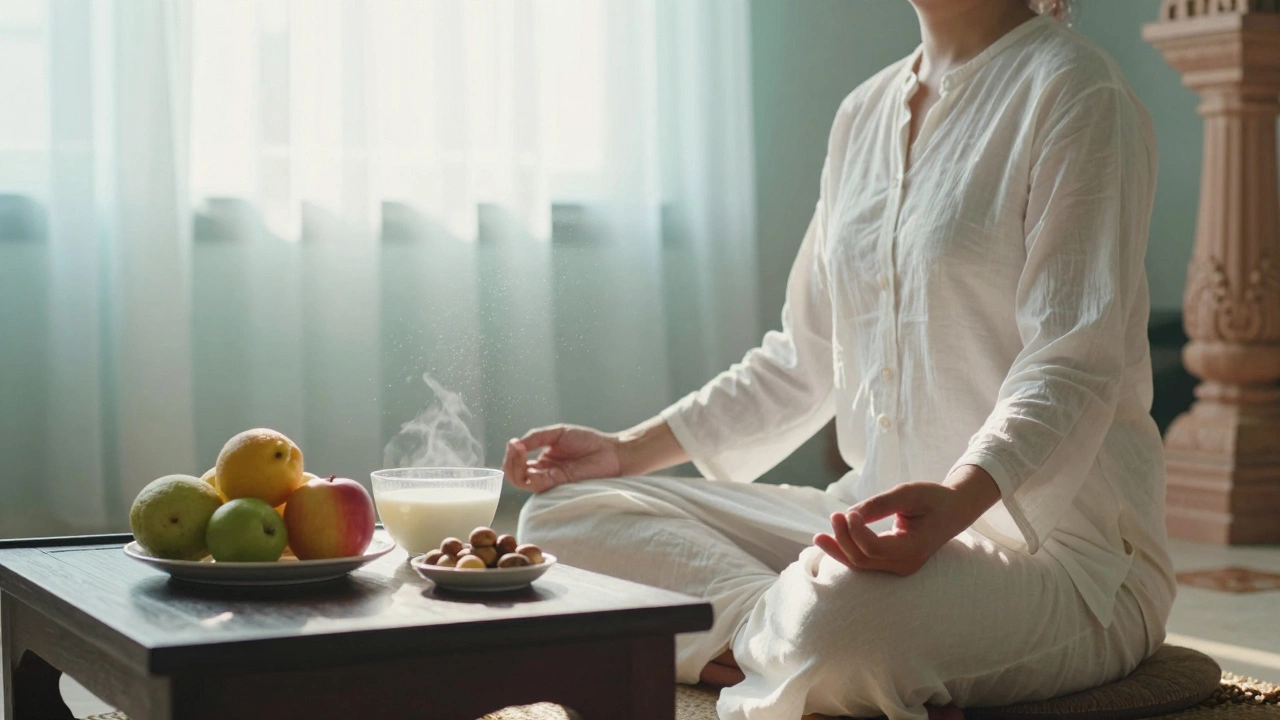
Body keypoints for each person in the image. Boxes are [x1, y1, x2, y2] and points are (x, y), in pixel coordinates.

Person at [503, 0, 1176, 717]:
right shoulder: (864, 112)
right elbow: (803, 359)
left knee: (837, 625)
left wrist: (961, 499)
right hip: (864, 522)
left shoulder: (1075, 90)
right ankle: (767, 635)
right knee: (560, 520)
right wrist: (624, 451)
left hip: (1064, 560)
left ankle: (776, 633)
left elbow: (1071, 359)